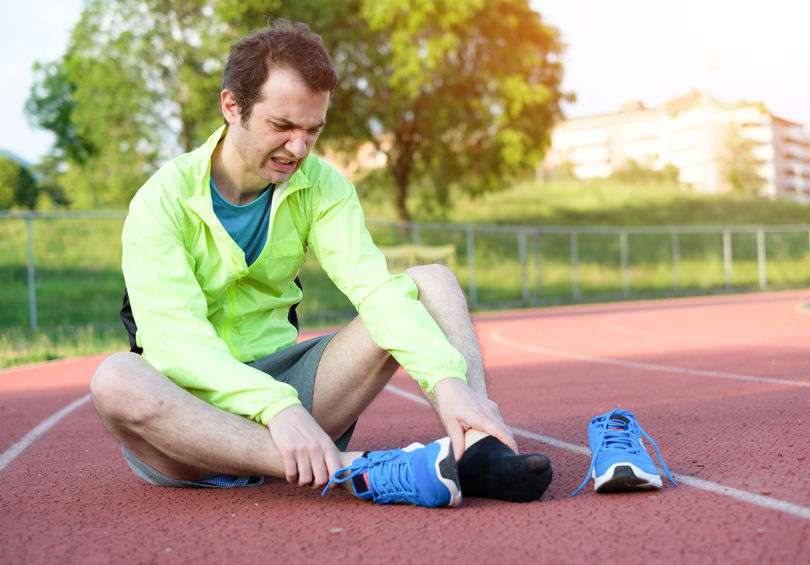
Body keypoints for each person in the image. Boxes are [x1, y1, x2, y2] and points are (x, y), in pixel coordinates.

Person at [89, 19, 552, 507]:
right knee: (116, 379)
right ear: (231, 106)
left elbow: (373, 290)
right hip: (193, 420)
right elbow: (176, 345)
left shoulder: (323, 186)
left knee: (430, 282)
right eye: (282, 126)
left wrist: (446, 379)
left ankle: (477, 444)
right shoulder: (161, 201)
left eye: (313, 130)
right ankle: (359, 471)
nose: (298, 148)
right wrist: (276, 408)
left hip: (292, 390)